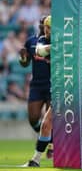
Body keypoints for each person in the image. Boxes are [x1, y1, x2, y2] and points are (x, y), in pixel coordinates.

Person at [19, 15, 53, 159]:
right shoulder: (31, 42)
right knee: (33, 118)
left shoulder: (56, 41)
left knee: (49, 118)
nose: (43, 27)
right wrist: (23, 59)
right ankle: (48, 138)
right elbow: (25, 63)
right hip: (37, 85)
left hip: (52, 83)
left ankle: (48, 143)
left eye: (46, 24)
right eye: (42, 24)